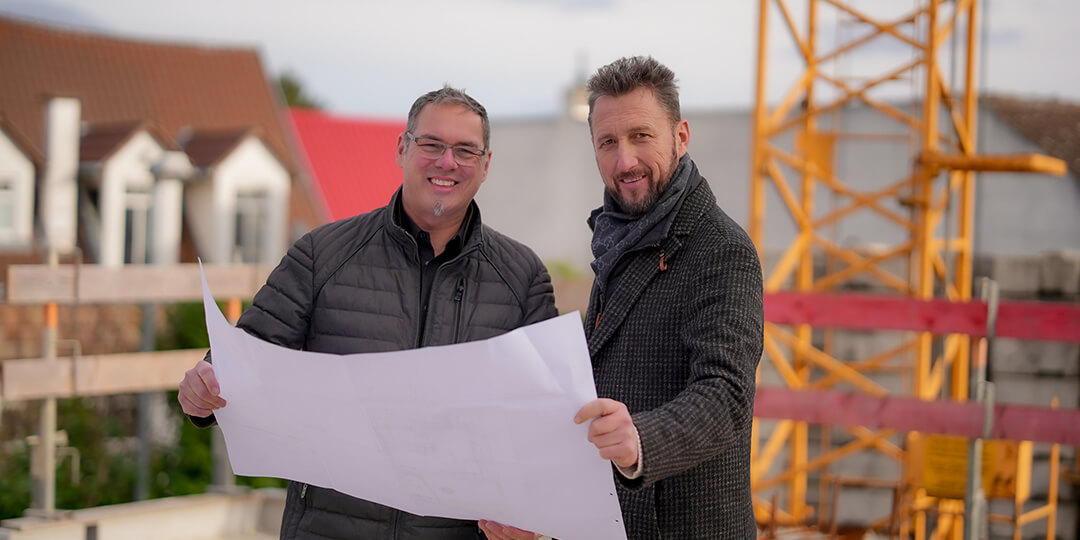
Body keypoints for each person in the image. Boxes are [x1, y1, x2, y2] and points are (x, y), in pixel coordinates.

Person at [178, 86, 558, 539]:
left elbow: (545, 421)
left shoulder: (522, 278)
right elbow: (245, 359)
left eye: (465, 151)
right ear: (402, 148)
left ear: (486, 165)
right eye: (431, 145)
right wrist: (203, 388)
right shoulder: (323, 254)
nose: (447, 162)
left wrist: (536, 520)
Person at [480, 56, 763, 540]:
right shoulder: (620, 237)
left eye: (641, 136)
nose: (624, 161)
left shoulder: (721, 249)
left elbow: (726, 395)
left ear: (681, 137)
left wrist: (642, 440)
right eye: (608, 142)